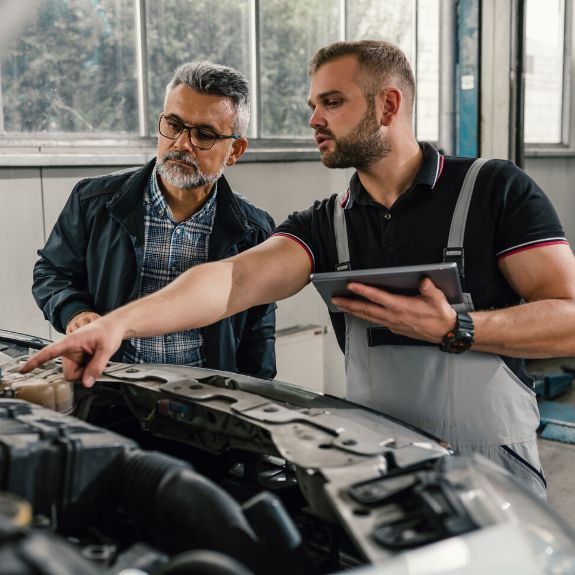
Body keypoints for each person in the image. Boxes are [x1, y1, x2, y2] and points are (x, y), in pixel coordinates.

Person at [23, 40, 575, 498]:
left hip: (492, 463)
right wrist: (116, 324)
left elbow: (569, 318)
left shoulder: (494, 190)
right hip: (378, 462)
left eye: (331, 102)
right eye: (313, 103)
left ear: (387, 106)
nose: (313, 119)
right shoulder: (325, 224)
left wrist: (460, 327)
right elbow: (232, 279)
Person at [31, 61, 276, 379]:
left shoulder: (253, 231)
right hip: (111, 386)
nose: (182, 144)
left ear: (235, 151)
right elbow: (51, 273)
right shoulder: (92, 202)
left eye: (204, 134)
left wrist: (257, 402)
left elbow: (258, 333)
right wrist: (75, 313)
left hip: (207, 400)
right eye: (174, 125)